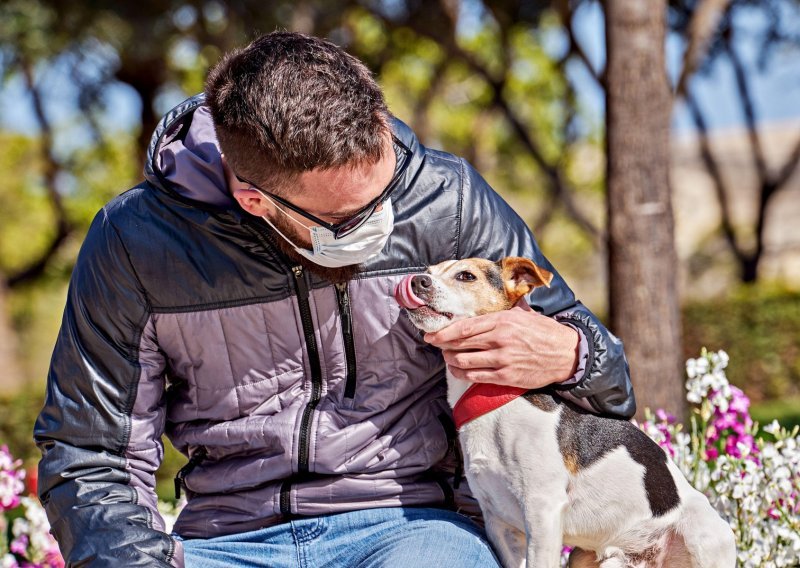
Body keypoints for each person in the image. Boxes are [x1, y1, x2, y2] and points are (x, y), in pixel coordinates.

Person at [34, 31, 635, 567]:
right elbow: (90, 452)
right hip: (225, 541)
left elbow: (610, 387)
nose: (383, 220)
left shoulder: (447, 199)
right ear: (254, 199)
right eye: (351, 218)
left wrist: (572, 355)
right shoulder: (135, 241)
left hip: (417, 534)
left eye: (388, 187)